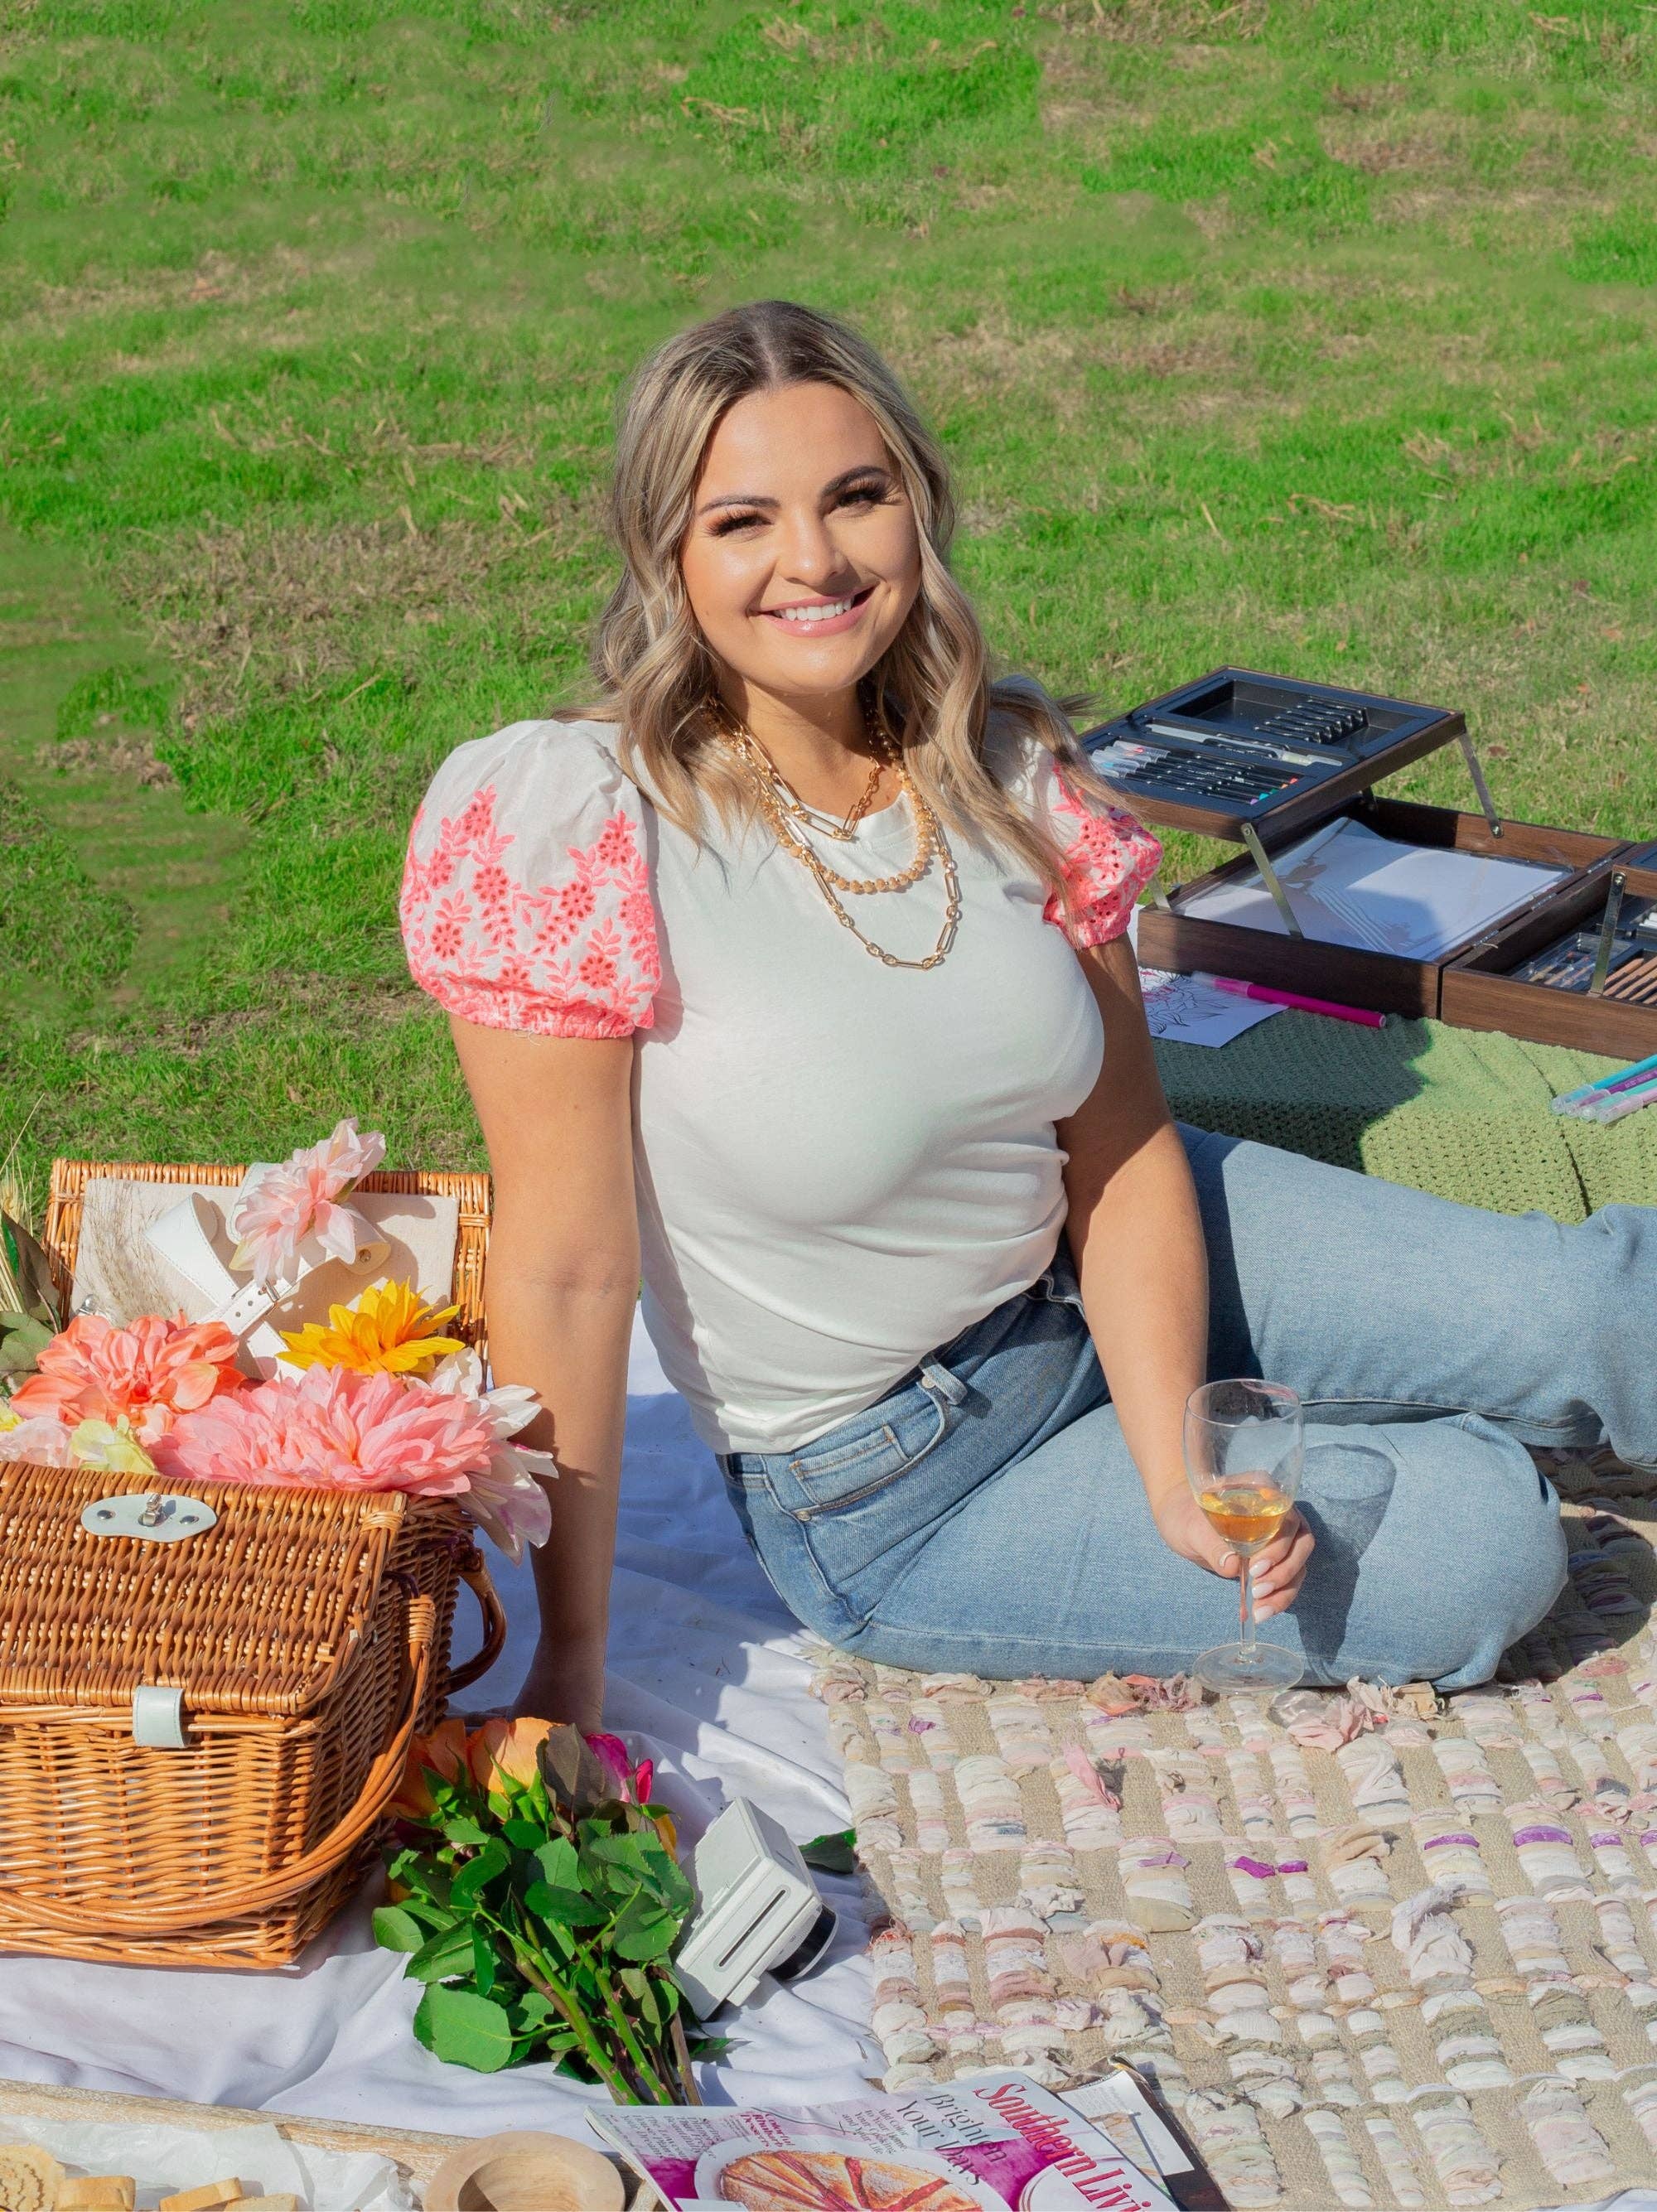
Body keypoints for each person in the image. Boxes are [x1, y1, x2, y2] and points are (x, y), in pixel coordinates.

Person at [401, 298, 1645, 1732]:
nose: (813, 561)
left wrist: (1178, 1450)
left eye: (855, 498)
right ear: (665, 553)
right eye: (742, 519)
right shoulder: (577, 825)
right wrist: (563, 1679)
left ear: (914, 512)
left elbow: (1119, 1146)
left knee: (1594, 1302)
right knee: (1488, 1537)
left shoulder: (1009, 772)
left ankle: (1362, 1400)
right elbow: (564, 1276)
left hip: (1103, 1260)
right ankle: (1424, 1435)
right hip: (898, 1483)